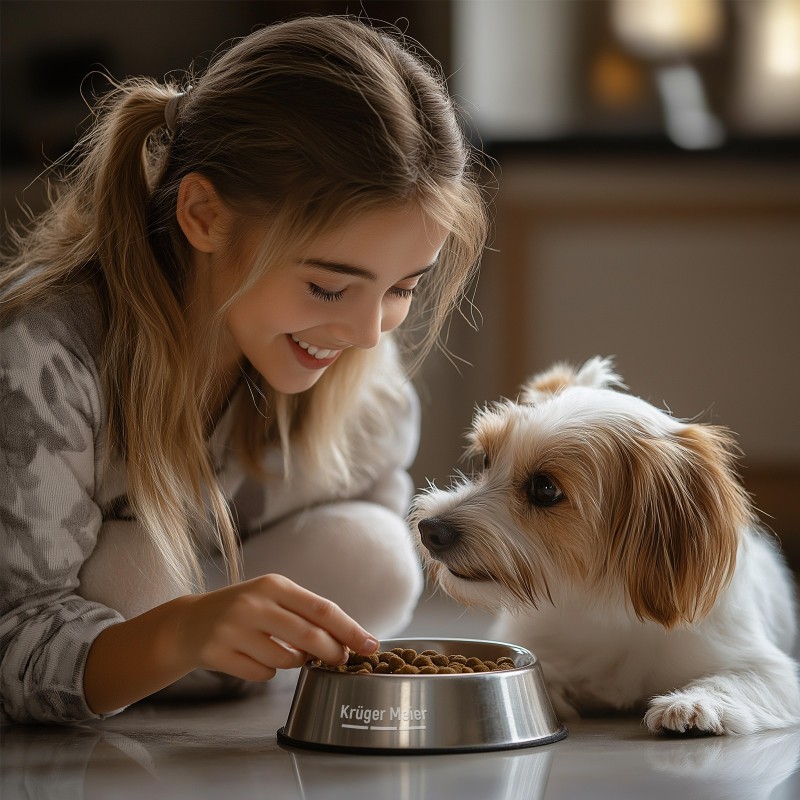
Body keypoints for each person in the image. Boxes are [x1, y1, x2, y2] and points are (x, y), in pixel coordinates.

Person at [0, 15, 488, 724]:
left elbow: (364, 542)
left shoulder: (355, 365)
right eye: (326, 286)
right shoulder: (43, 362)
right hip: (92, 634)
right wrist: (181, 631)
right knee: (140, 579)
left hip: (197, 626)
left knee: (379, 553)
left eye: (403, 288)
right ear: (205, 215)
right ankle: (164, 653)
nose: (363, 332)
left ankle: (188, 656)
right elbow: (12, 637)